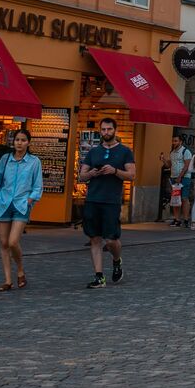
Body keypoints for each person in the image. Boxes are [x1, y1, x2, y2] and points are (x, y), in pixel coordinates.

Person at [0, 127, 43, 290]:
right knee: (3, 242)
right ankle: (8, 280)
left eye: (23, 140)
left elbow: (37, 185)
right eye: (17, 140)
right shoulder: (6, 159)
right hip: (3, 203)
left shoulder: (34, 162)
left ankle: (20, 270)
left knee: (13, 241)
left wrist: (30, 200)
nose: (19, 143)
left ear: (28, 143)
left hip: (22, 205)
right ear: (13, 142)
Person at [78, 117, 134, 288]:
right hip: (93, 199)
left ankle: (117, 260)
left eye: (109, 129)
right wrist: (92, 173)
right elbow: (82, 176)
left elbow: (131, 175)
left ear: (115, 130)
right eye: (103, 129)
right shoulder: (93, 152)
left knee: (110, 240)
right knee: (95, 239)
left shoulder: (125, 151)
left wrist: (114, 171)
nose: (106, 132)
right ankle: (99, 276)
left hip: (111, 201)